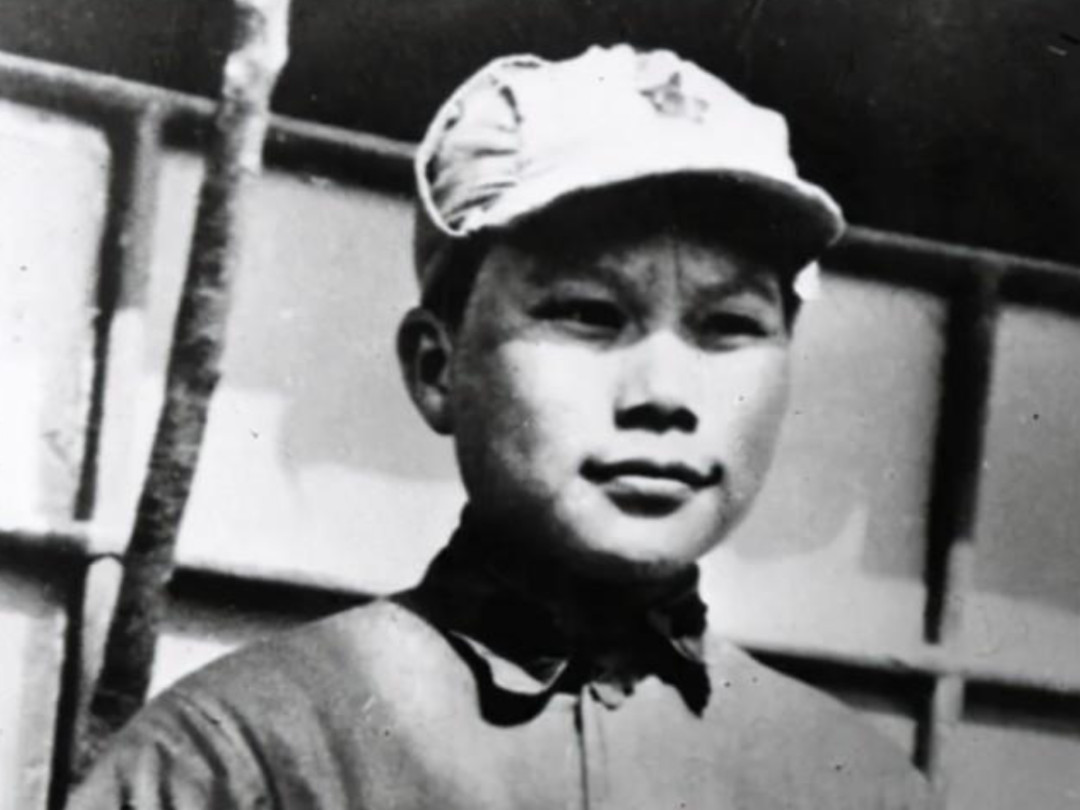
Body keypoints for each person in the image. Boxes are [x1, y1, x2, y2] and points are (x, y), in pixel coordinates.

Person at [68, 44, 933, 809]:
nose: (665, 393)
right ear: (437, 368)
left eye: (731, 325)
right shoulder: (239, 760)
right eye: (588, 313)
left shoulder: (862, 787)